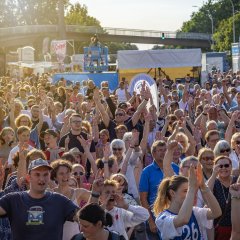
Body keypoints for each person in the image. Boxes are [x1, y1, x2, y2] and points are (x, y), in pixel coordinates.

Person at [0, 158, 79, 240]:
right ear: (29, 177)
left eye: (45, 175)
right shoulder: (14, 199)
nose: (42, 179)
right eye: (37, 174)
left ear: (49, 176)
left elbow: (84, 218)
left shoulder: (60, 201)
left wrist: (94, 194)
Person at [154, 165, 222, 240]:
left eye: (189, 190)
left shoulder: (194, 211)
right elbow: (183, 219)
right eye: (185, 191)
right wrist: (191, 188)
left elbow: (217, 212)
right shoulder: (163, 218)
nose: (190, 194)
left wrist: (203, 187)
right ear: (172, 193)